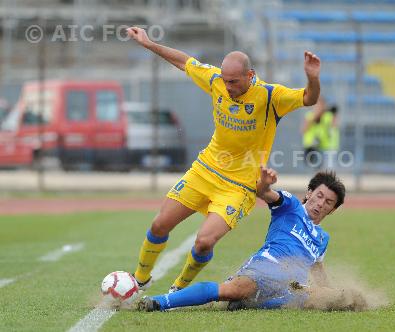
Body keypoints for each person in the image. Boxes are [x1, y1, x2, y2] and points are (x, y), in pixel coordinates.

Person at [126, 27, 321, 292]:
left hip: (239, 186)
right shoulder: (217, 79)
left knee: (204, 242)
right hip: (205, 169)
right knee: (160, 224)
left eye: (234, 82)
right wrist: (149, 44)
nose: (227, 87)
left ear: (250, 76)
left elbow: (309, 98)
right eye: (225, 80)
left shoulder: (270, 96)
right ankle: (139, 280)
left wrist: (312, 79)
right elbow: (184, 61)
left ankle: (178, 289)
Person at [137, 166, 365, 312]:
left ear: (333, 210)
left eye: (328, 202)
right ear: (309, 193)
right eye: (319, 196)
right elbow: (264, 193)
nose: (320, 204)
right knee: (232, 290)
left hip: (292, 286)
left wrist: (332, 294)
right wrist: (264, 184)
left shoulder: (322, 238)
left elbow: (317, 269)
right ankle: (160, 301)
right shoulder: (291, 206)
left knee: (324, 298)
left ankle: (252, 303)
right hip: (266, 269)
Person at [301, 96, 339, 169]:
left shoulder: (328, 115)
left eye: (321, 105)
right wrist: (314, 117)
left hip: (326, 147)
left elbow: (335, 126)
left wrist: (334, 114)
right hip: (313, 147)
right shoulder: (309, 116)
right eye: (317, 105)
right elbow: (303, 130)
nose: (319, 107)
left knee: (328, 170)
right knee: (315, 170)